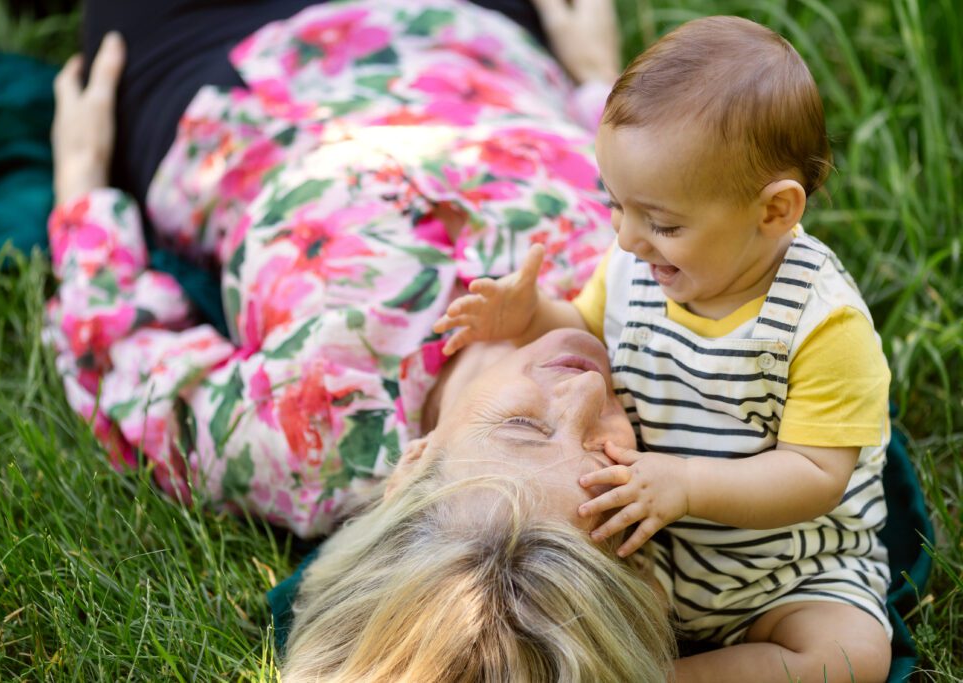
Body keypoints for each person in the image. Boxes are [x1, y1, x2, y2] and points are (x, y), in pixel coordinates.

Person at [50, 0, 679, 680]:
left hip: (222, 62)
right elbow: (646, 196)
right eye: (607, 459)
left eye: (528, 427)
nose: (588, 388)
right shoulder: (674, 334)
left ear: (413, 467)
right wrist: (598, 80)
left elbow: (122, 358)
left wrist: (79, 178)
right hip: (465, 26)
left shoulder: (308, 439)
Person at [434, 15, 893, 682]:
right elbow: (592, 328)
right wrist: (530, 313)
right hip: (661, 544)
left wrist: (688, 482)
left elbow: (816, 475)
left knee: (850, 655)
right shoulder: (639, 266)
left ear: (774, 211)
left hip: (788, 568)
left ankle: (675, 676)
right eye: (617, 206)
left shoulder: (822, 325)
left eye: (662, 222)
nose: (626, 239)